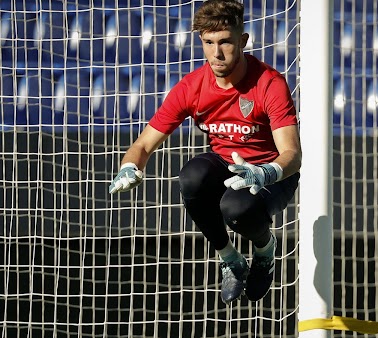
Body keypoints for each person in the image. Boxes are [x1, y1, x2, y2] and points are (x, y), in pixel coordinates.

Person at [108, 0, 301, 305]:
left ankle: (265, 251)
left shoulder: (269, 84)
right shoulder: (193, 86)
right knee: (191, 177)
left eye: (225, 42)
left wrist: (265, 172)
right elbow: (143, 144)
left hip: (270, 172)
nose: (217, 53)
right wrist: (130, 166)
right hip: (227, 163)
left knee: (236, 208)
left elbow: (292, 153)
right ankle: (231, 259)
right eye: (208, 43)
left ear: (243, 40)